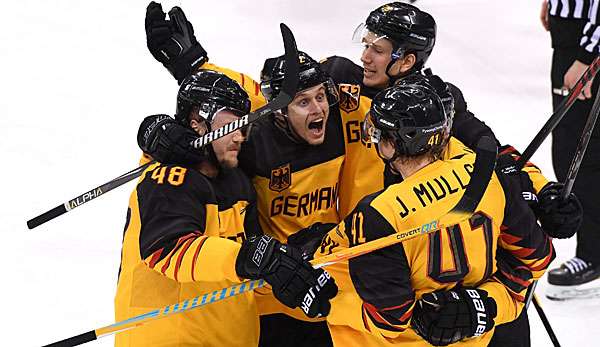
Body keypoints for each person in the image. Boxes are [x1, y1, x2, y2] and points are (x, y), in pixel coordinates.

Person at [310, 83, 555, 346]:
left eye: (378, 133)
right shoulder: (487, 175)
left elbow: (388, 321)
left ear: (393, 143)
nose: (374, 140)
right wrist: (482, 307)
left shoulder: (380, 213)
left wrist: (323, 299)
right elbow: (538, 259)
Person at [115, 70, 335, 346]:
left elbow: (244, 268)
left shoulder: (237, 183)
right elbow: (167, 250)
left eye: (245, 127)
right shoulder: (170, 177)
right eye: (233, 126)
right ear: (197, 121)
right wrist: (252, 257)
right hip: (173, 337)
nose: (241, 137)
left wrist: (292, 269)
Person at [540, 0, 600, 300]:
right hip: (575, 36)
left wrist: (589, 53)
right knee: (573, 150)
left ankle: (593, 255)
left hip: (584, 44)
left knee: (579, 155)